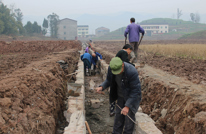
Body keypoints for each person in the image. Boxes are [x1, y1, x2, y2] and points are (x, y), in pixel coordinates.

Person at [96, 57, 141, 134]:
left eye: (119, 71)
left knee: (128, 122)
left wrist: (127, 106)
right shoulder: (111, 68)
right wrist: (102, 87)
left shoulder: (131, 71)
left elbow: (135, 91)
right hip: (120, 97)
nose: (117, 73)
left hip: (131, 99)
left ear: (122, 65)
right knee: (118, 119)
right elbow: (108, 80)